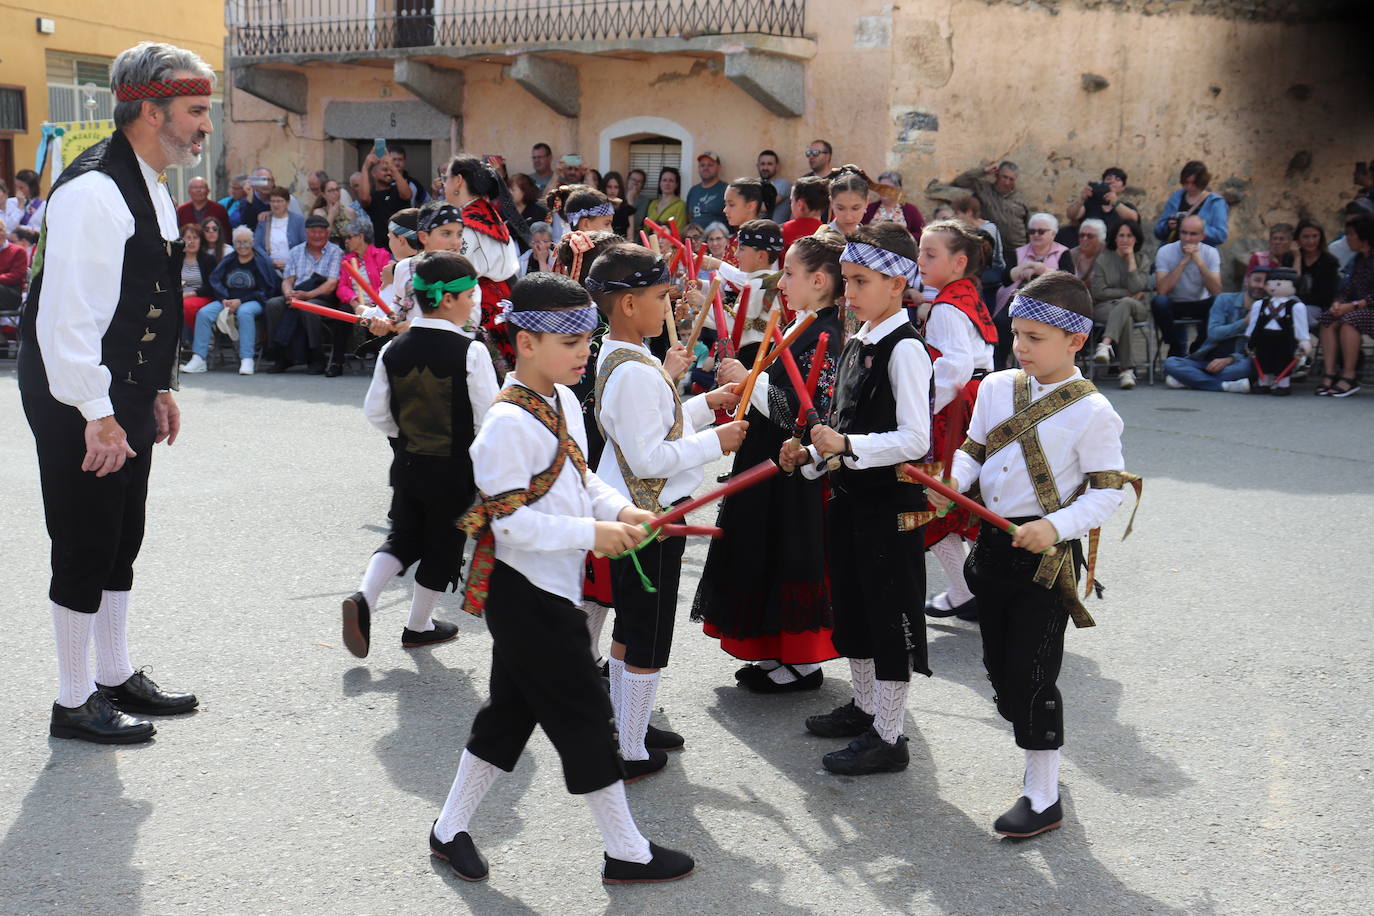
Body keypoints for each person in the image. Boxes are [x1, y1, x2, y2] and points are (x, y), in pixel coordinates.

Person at [432, 271, 694, 885]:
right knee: (584, 719)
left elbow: (583, 481)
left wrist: (621, 510)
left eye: (587, 341)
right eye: (570, 343)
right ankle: (625, 850)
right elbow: (509, 525)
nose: (584, 354)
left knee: (507, 718)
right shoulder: (504, 426)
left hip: (552, 588)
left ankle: (447, 830)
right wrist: (591, 535)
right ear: (525, 342)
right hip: (523, 594)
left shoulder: (566, 400)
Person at [18, 40, 211, 744]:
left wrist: (158, 386)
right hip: (79, 395)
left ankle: (114, 672)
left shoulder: (149, 183)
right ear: (149, 110)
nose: (205, 126)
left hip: (121, 389)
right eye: (195, 110)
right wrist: (97, 413)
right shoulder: (96, 190)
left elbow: (141, 301)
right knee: (84, 537)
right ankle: (74, 700)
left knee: (121, 536)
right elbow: (67, 319)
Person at [950, 270, 1132, 839]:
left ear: (1076, 341)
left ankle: (1043, 793)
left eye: (1035, 337)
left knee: (1032, 675)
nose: (1020, 347)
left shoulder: (1096, 413)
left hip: (1046, 561)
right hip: (992, 551)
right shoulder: (997, 387)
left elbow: (1106, 491)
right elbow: (973, 450)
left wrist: (1054, 527)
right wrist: (948, 486)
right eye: (1017, 334)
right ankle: (1039, 745)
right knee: (1000, 674)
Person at [781, 221, 934, 777]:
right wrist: (813, 455)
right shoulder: (859, 338)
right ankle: (867, 708)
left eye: (860, 280)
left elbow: (917, 439)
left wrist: (846, 445)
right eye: (845, 280)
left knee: (887, 615)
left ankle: (890, 736)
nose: (849, 292)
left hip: (889, 506)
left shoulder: (905, 348)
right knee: (852, 607)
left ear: (897, 284)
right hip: (850, 496)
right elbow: (843, 425)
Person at [590, 243, 746, 779]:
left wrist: (708, 404)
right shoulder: (632, 369)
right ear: (628, 305)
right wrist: (717, 442)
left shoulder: (626, 358)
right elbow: (649, 456)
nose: (669, 307)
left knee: (634, 625)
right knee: (648, 632)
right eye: (660, 297)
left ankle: (624, 719)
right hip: (648, 517)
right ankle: (629, 748)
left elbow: (663, 424)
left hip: (643, 511)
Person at [695, 230, 845, 691]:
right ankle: (775, 648)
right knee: (763, 551)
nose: (781, 283)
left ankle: (802, 661)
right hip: (766, 461)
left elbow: (801, 411)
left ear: (819, 280)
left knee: (790, 554)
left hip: (793, 469)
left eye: (791, 274)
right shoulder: (802, 324)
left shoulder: (828, 334)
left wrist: (751, 379)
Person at [342, 250, 498, 660]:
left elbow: (376, 412)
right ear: (448, 299)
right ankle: (418, 626)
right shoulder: (471, 351)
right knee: (443, 545)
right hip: (455, 470)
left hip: (408, 462)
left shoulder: (393, 349)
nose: (474, 302)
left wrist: (405, 437)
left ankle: (365, 596)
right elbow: (489, 417)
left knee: (404, 535)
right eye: (471, 294)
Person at [912, 221, 997, 622]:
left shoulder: (947, 305)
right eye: (921, 252)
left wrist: (922, 410)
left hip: (954, 409)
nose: (921, 261)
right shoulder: (966, 294)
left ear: (959, 262)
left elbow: (956, 367)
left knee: (934, 499)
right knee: (961, 499)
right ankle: (970, 587)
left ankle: (965, 590)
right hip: (976, 401)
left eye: (931, 255)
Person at [442, 155, 525, 373]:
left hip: (484, 303)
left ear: (458, 180)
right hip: (503, 296)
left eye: (446, 178)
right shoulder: (486, 212)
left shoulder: (469, 222)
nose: (444, 184)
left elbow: (459, 270)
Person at [184, 226, 275, 376]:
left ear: (252, 243)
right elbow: (216, 281)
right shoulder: (229, 261)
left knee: (245, 313)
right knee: (204, 313)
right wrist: (224, 298)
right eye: (238, 243)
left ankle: (247, 358)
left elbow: (265, 289)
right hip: (226, 299)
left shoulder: (259, 262)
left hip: (252, 300)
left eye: (245, 242)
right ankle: (199, 358)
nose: (242, 246)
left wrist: (240, 300)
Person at [264, 214, 347, 376]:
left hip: (323, 297)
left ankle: (316, 357)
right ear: (306, 232)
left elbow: (331, 284)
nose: (317, 235)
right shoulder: (296, 251)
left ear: (327, 233)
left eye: (321, 232)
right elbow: (288, 280)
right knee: (273, 305)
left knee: (307, 307)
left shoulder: (335, 252)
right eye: (313, 232)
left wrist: (307, 295)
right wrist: (288, 293)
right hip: (298, 293)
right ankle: (280, 355)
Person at [1162, 267, 1266, 393]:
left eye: (1265, 283)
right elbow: (1214, 333)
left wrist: (1230, 359)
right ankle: (1224, 386)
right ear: (1247, 281)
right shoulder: (1224, 300)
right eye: (1257, 280)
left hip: (1235, 363)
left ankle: (1189, 380)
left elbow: (1256, 349)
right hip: (1206, 361)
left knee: (1247, 367)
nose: (1260, 286)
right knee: (1170, 363)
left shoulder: (1268, 309)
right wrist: (1244, 322)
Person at [700, 217, 784, 365]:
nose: (737, 254)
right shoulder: (763, 282)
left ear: (761, 256)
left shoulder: (760, 284)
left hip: (752, 356)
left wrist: (702, 304)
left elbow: (737, 323)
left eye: (742, 249)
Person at [995, 212, 1072, 365]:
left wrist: (1042, 269)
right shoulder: (1019, 252)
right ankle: (999, 366)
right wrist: (1024, 267)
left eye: (1041, 231)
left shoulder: (1063, 252)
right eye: (1032, 231)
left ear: (1053, 234)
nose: (1036, 235)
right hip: (1017, 301)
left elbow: (1069, 279)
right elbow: (1004, 279)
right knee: (1002, 322)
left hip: (1050, 303)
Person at [1316, 212, 1374, 398]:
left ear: (1363, 236)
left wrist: (1355, 305)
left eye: (1350, 234)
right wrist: (1338, 303)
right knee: (1328, 318)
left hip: (1367, 309)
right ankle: (1330, 372)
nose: (1347, 238)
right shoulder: (1357, 260)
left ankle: (1350, 376)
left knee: (1350, 321)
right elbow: (1347, 288)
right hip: (1357, 307)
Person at [1089, 220, 1153, 389]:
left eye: (1129, 236)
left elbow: (1138, 287)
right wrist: (1127, 294)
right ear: (1115, 238)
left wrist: (1131, 259)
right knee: (1126, 317)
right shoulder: (1103, 259)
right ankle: (1126, 371)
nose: (1125, 240)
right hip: (1106, 307)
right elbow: (1098, 292)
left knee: (1126, 304)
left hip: (1137, 307)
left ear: (1136, 239)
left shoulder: (1142, 259)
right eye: (1121, 235)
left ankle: (1105, 345)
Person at [1152, 214, 1222, 356]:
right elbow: (1162, 290)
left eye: (1193, 234)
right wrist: (1183, 262)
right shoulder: (1165, 251)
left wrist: (1199, 262)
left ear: (1202, 236)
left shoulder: (1211, 253)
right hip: (1174, 304)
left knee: (1219, 301)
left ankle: (1199, 346)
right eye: (1183, 232)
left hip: (1199, 303)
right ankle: (1175, 346)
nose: (1187, 238)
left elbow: (1216, 290)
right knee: (1159, 302)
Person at [1244, 266, 1309, 396]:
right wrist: (1249, 339)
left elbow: (1300, 326)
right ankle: (1264, 383)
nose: (1273, 287)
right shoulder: (1260, 304)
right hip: (1263, 337)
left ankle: (1283, 385)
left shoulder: (1296, 306)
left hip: (1285, 339)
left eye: (1278, 284)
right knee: (1263, 360)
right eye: (1269, 283)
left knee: (1283, 361)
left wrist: (1304, 341)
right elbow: (1254, 323)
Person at [953, 160, 1031, 250]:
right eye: (1004, 177)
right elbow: (960, 181)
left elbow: (1028, 224)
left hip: (1017, 248)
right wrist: (984, 171)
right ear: (997, 175)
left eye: (1011, 179)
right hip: (992, 247)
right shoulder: (984, 189)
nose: (1007, 182)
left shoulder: (1020, 198)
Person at [1154, 160, 1229, 247]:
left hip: (1200, 255)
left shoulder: (1216, 203)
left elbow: (1221, 236)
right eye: (1186, 182)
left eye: (1194, 183)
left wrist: (1196, 228)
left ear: (1202, 182)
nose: (1189, 186)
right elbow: (1158, 231)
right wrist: (1168, 226)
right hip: (1173, 252)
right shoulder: (1176, 197)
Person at [354, 149, 415, 244]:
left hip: (405, 246)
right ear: (373, 173)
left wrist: (393, 168)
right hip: (382, 249)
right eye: (384, 170)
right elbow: (364, 199)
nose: (389, 173)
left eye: (390, 170)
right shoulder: (372, 195)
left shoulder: (398, 190)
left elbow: (407, 195)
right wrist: (365, 167)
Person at [1065, 167, 1139, 243]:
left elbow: (1133, 218)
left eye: (1117, 179)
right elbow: (1071, 215)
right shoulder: (1089, 203)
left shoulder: (1125, 206)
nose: (1112, 182)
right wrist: (1081, 199)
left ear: (1123, 187)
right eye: (1108, 179)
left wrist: (1115, 202)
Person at [336, 218, 392, 315]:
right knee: (342, 313)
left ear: (361, 237)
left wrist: (371, 304)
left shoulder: (381, 255)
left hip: (377, 304)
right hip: (354, 305)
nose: (346, 241)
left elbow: (386, 284)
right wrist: (354, 302)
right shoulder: (347, 260)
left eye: (349, 237)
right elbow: (342, 287)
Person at [175, 222, 220, 334]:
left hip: (201, 296)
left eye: (195, 238)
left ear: (200, 240)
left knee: (185, 306)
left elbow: (211, 286)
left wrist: (190, 294)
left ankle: (197, 337)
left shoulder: (208, 260)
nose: (192, 241)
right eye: (188, 238)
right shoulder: (176, 260)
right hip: (179, 296)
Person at [1292, 218, 1340, 323]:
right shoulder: (1291, 258)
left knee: (1296, 312)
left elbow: (1327, 297)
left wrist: (1299, 301)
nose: (1311, 241)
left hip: (1317, 308)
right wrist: (1297, 258)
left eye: (1315, 236)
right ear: (1297, 239)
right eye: (1306, 237)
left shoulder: (1329, 262)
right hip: (1294, 303)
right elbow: (1291, 285)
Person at [253, 186, 304, 272]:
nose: (276, 204)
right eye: (273, 201)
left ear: (287, 203)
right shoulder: (264, 220)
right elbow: (256, 245)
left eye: (279, 201)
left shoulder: (298, 220)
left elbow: (305, 244)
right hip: (270, 269)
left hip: (294, 269)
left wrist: (293, 262)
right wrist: (270, 261)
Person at [864, 171, 925, 237]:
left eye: (888, 188)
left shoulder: (911, 210)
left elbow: (921, 233)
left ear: (898, 190)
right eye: (880, 187)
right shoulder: (869, 208)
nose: (883, 190)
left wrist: (903, 238)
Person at [782, 175, 828, 257]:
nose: (791, 205)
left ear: (800, 204)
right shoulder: (829, 233)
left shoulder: (785, 230)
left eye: (792, 201)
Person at [825, 166, 871, 238]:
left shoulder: (869, 239)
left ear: (866, 202)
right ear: (831, 202)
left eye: (855, 208)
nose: (848, 217)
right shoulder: (820, 241)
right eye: (840, 208)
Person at [312, 176, 358, 247]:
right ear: (324, 195)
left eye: (337, 189)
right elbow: (321, 238)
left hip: (346, 255)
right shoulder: (318, 213)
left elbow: (356, 238)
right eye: (331, 190)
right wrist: (331, 215)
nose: (335, 193)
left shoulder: (350, 212)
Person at [686, 152, 727, 228]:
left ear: (718, 167)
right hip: (696, 238)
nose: (705, 168)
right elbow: (689, 217)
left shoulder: (726, 190)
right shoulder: (693, 191)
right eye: (702, 165)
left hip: (717, 238)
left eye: (710, 165)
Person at [646, 166, 688, 231]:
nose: (667, 184)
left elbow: (679, 230)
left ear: (676, 184)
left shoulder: (680, 205)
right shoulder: (653, 204)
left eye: (671, 181)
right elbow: (646, 227)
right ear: (660, 183)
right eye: (664, 180)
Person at [5, 168, 46, 233]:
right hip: (12, 241)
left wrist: (22, 228)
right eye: (16, 187)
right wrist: (20, 206)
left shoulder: (43, 205)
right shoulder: (11, 202)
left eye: (21, 187)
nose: (18, 190)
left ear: (32, 188)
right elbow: (9, 226)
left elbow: (42, 229)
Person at [757, 149, 792, 223]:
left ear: (777, 166)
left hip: (776, 230)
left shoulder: (783, 184)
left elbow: (764, 207)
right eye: (762, 164)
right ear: (757, 166)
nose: (765, 168)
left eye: (769, 164)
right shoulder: (754, 183)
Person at [0, 222, 28, 312]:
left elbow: (15, 276)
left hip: (12, 294)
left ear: (6, 232)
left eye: (1, 230)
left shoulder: (19, 251)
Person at [601, 172, 638, 238]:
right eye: (609, 187)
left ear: (620, 189)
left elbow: (630, 236)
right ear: (604, 188)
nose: (612, 191)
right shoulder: (599, 208)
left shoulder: (627, 209)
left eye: (616, 187)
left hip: (623, 245)